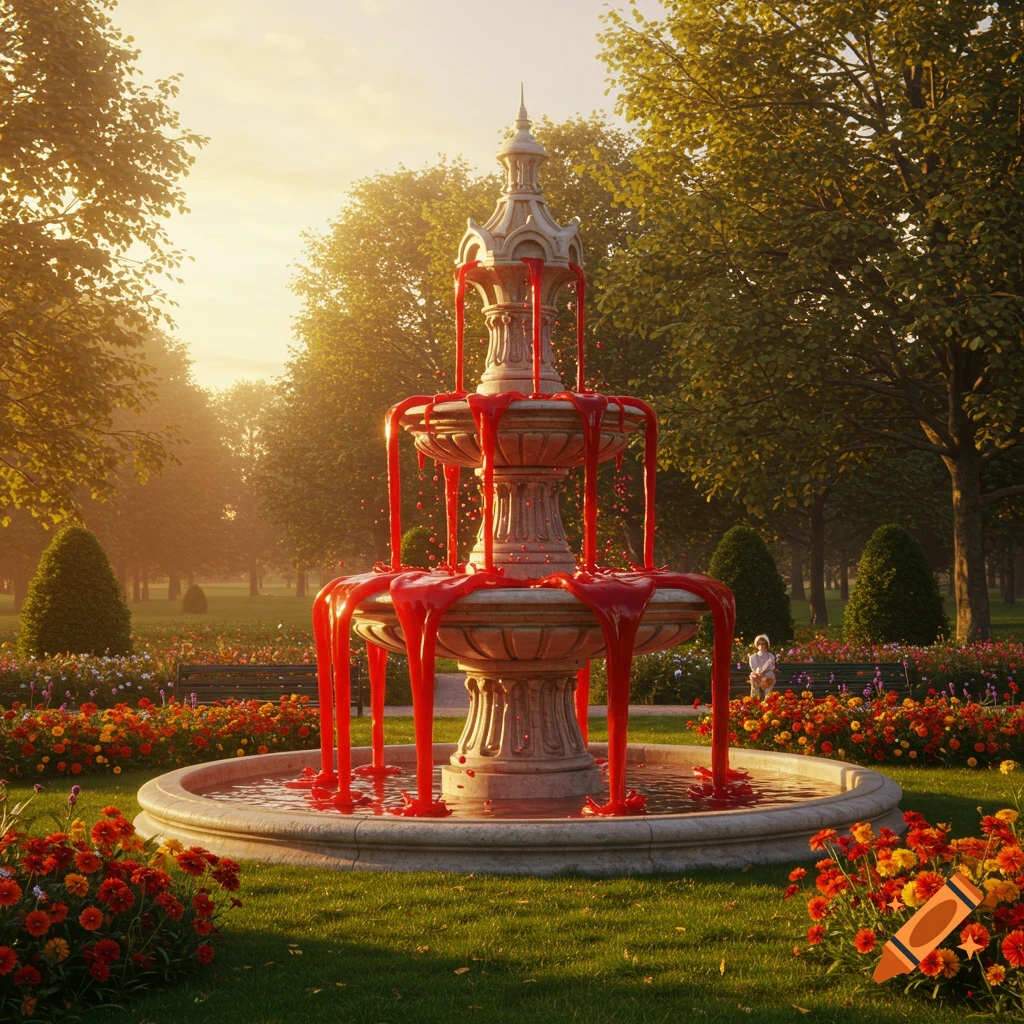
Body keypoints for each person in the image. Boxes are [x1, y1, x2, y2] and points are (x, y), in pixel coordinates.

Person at [748, 634, 777, 698]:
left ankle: (768, 699)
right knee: (754, 677)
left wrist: (764, 675)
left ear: (767, 645)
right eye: (759, 644)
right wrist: (758, 674)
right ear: (757, 645)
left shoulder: (770, 656)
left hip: (767, 675)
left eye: (763, 644)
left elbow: (771, 668)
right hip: (757, 676)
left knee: (770, 676)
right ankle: (755, 699)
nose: (761, 646)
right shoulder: (753, 657)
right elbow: (754, 668)